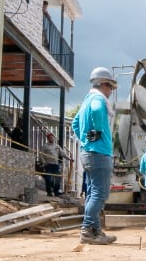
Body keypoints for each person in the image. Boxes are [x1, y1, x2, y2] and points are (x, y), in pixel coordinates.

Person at [71, 67, 118, 244]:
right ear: (103, 84)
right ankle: (87, 231)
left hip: (88, 153)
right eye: (110, 87)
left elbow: (75, 124)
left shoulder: (86, 100)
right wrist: (96, 135)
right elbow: (98, 112)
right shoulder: (98, 99)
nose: (111, 91)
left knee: (92, 193)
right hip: (99, 153)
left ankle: (96, 231)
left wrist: (86, 140)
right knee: (100, 194)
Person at [38, 131, 65, 197]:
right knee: (48, 179)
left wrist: (69, 158)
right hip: (48, 165)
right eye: (50, 138)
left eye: (52, 137)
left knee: (58, 178)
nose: (51, 139)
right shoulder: (45, 146)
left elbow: (62, 153)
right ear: (48, 139)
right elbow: (41, 154)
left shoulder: (57, 146)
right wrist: (44, 162)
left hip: (55, 165)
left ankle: (56, 192)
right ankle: (49, 192)